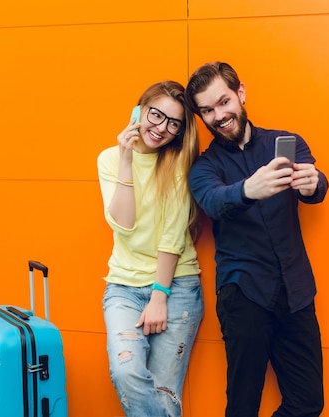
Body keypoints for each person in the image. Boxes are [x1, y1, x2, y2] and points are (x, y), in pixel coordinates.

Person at [185, 62, 329, 417]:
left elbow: (316, 185)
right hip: (244, 295)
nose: (219, 115)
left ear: (241, 94)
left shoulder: (287, 143)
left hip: (295, 292)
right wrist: (249, 189)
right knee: (242, 407)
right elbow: (214, 201)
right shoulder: (204, 168)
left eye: (223, 102)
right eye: (207, 110)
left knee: (309, 402)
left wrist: (316, 184)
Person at [97, 80, 204, 417]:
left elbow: (172, 235)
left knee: (165, 392)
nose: (161, 129)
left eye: (174, 123)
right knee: (126, 372)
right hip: (124, 287)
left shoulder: (178, 162)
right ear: (139, 110)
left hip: (177, 285)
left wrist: (160, 295)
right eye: (156, 115)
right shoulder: (110, 159)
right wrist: (127, 160)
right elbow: (124, 224)